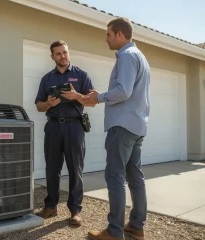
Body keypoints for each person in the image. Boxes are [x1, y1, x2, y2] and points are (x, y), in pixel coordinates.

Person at [85, 17, 150, 240]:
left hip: (121, 126)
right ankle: (136, 226)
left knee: (115, 176)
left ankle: (114, 232)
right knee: (135, 177)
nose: (106, 39)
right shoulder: (140, 56)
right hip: (137, 125)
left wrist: (99, 97)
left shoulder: (127, 56)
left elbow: (123, 91)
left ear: (120, 35)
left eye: (108, 34)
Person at [35, 40, 94, 226]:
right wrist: (49, 104)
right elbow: (38, 106)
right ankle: (51, 206)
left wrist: (77, 96)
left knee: (75, 168)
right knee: (52, 168)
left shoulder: (81, 75)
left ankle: (75, 210)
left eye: (65, 52)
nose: (63, 56)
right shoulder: (47, 79)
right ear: (52, 57)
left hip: (74, 127)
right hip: (53, 126)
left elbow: (92, 101)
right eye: (58, 53)